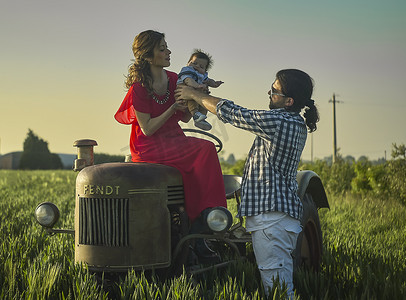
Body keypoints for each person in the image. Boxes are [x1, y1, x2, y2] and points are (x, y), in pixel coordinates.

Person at [175, 69, 320, 298]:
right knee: (278, 286)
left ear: (289, 101)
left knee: (279, 291)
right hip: (276, 218)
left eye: (274, 91)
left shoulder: (280, 121)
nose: (269, 93)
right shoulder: (293, 122)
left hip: (272, 219)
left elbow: (235, 114)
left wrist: (195, 95)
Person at [114, 30, 227, 232]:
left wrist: (196, 101)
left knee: (206, 151)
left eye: (167, 47)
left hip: (174, 140)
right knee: (206, 149)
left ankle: (209, 219)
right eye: (162, 49)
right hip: (147, 147)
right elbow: (147, 129)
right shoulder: (139, 88)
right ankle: (202, 220)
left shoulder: (175, 79)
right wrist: (172, 109)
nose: (169, 52)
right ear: (148, 56)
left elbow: (183, 118)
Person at [177, 49, 224, 131]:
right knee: (193, 96)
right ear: (188, 63)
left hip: (196, 93)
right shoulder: (188, 70)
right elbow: (188, 80)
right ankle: (195, 113)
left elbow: (208, 81)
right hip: (183, 93)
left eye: (201, 66)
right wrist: (197, 86)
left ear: (205, 70)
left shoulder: (203, 75)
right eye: (194, 63)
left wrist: (215, 84)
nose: (197, 66)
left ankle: (200, 119)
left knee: (205, 102)